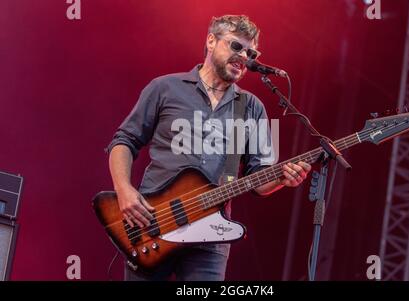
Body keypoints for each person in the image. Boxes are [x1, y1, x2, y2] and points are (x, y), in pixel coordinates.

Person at [107, 15, 311, 281]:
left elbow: (260, 179)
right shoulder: (164, 87)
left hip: (210, 240)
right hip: (152, 224)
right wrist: (124, 191)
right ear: (211, 41)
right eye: (236, 47)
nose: (244, 57)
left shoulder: (253, 107)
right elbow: (124, 140)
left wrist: (284, 178)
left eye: (251, 52)